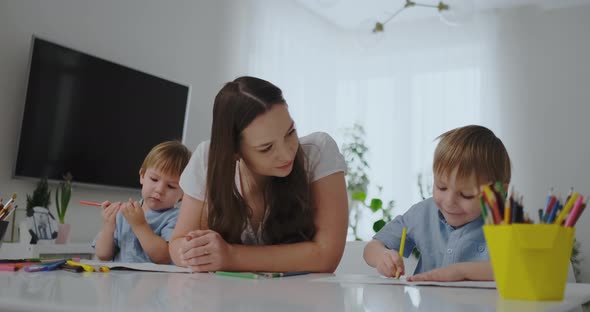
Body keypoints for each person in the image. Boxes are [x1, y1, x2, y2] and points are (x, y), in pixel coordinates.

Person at [169, 76, 348, 272]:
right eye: (266, 148)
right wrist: (192, 252)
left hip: (302, 297)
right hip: (225, 297)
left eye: (290, 132)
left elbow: (326, 256)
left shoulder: (318, 152)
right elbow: (177, 243)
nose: (287, 153)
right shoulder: (207, 160)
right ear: (234, 151)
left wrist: (230, 256)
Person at [363, 125, 511, 281]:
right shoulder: (423, 213)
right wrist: (382, 257)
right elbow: (371, 248)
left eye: (466, 195)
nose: (449, 202)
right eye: (441, 187)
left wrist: (461, 272)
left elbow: (517, 269)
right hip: (427, 305)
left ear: (498, 192)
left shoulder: (506, 224)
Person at [94, 141, 192, 263]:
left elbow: (164, 257)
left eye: (171, 186)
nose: (159, 189)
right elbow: (103, 255)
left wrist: (139, 225)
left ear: (183, 194)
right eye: (154, 179)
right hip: (118, 280)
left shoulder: (177, 218)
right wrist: (108, 226)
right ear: (142, 176)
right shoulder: (125, 213)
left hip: (156, 281)